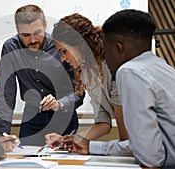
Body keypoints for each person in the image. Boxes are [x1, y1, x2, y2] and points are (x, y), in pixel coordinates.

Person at [0, 4, 84, 145]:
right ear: (17, 30)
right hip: (31, 118)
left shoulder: (60, 47)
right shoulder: (10, 47)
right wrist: (3, 135)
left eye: (37, 32)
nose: (32, 40)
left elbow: (79, 93)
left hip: (64, 117)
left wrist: (59, 103)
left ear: (45, 25)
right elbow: (7, 94)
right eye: (25, 35)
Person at [45, 13, 132, 156]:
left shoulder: (115, 67)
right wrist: (69, 140)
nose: (62, 59)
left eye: (64, 51)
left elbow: (126, 140)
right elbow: (103, 122)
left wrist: (89, 146)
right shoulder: (87, 72)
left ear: (79, 45)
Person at [101, 9, 175, 168]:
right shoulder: (163, 68)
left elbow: (150, 157)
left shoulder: (129, 71)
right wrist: (92, 147)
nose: (106, 61)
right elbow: (145, 143)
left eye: (105, 53)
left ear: (118, 48)